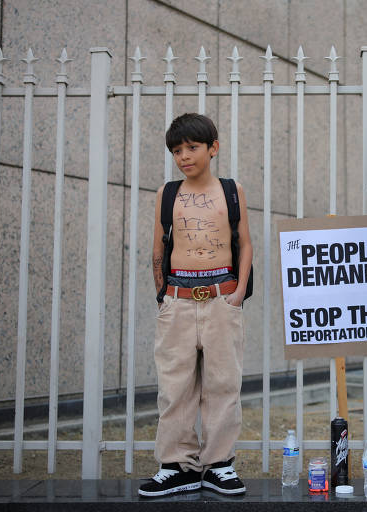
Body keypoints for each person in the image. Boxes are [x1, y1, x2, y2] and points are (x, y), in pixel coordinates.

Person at [139, 113, 252, 498]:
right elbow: (158, 248)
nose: (184, 156)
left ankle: (219, 464)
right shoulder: (167, 193)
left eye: (192, 147)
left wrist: (238, 292)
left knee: (223, 383)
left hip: (222, 297)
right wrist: (163, 296)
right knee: (175, 386)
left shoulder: (231, 190)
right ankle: (177, 465)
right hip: (178, 300)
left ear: (213, 148)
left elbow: (245, 243)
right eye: (177, 151)